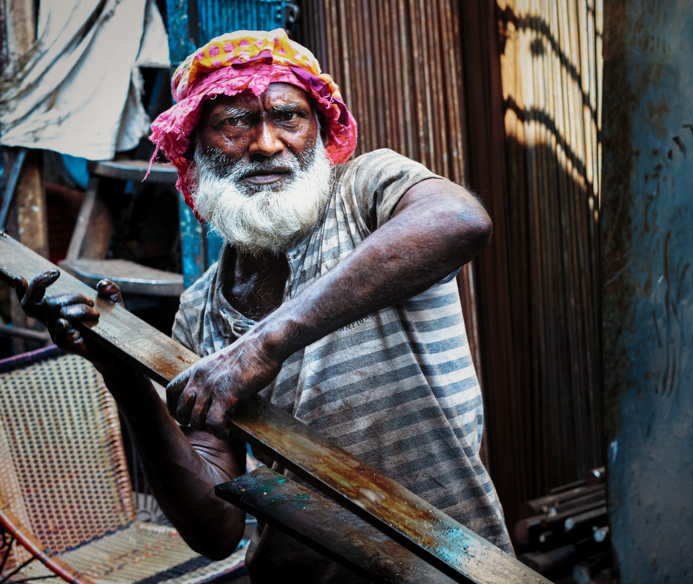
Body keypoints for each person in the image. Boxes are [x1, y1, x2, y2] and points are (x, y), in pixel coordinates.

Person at [15, 29, 512, 583]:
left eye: (288, 118)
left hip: (449, 567)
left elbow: (460, 222)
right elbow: (216, 528)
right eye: (235, 123)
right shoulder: (202, 309)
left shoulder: (366, 193)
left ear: (319, 135)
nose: (268, 144)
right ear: (195, 149)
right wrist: (120, 373)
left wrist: (259, 347)